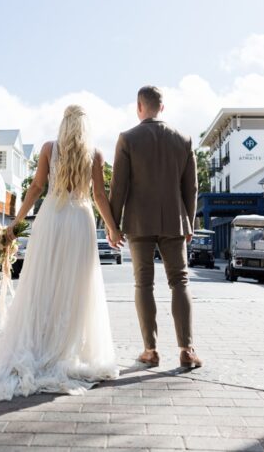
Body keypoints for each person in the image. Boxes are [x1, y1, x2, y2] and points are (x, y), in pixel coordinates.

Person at [0, 105, 120, 401]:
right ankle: (68, 349)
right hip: (79, 222)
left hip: (52, 219)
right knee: (76, 288)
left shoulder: (48, 148)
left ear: (64, 124)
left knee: (42, 285)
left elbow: (35, 187)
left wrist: (15, 222)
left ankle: (40, 345)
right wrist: (112, 229)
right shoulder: (94, 154)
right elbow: (99, 195)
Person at [109, 85, 203, 369]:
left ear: (139, 106)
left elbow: (118, 187)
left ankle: (150, 350)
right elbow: (192, 187)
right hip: (175, 221)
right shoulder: (183, 139)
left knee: (143, 283)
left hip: (138, 222)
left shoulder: (127, 139)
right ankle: (187, 350)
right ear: (162, 107)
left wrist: (113, 225)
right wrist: (189, 220)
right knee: (180, 282)